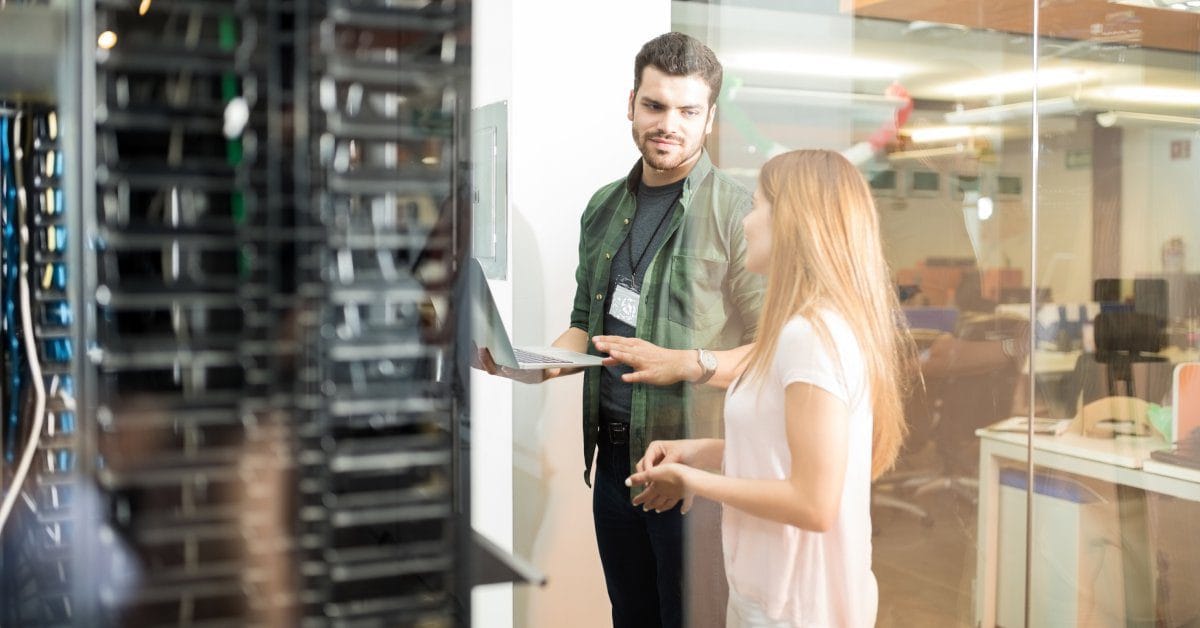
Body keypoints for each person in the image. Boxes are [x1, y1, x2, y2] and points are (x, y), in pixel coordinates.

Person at [477, 32, 764, 628]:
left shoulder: (739, 214)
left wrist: (685, 362)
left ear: (709, 119)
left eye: (688, 111)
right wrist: (529, 365)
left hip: (694, 475)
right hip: (614, 467)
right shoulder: (604, 207)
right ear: (631, 102)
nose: (669, 125)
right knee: (630, 617)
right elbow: (586, 325)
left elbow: (770, 351)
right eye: (655, 106)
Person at [623, 149, 917, 627]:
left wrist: (692, 482)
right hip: (768, 595)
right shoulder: (799, 330)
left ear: (793, 223)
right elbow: (782, 452)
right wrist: (699, 452)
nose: (746, 223)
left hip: (797, 608)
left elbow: (813, 503)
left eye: (757, 206)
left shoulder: (812, 337)